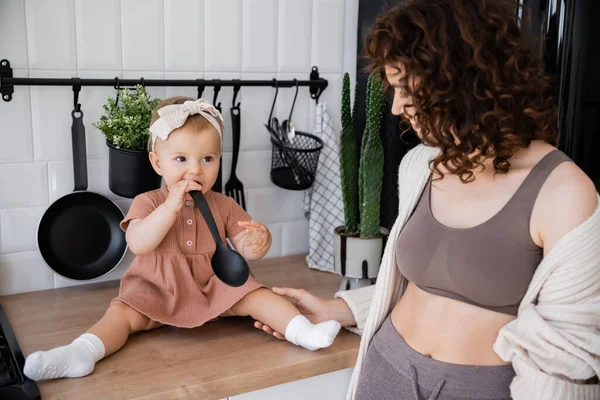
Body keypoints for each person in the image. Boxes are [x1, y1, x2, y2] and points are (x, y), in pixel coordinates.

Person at [254, 1, 600, 399]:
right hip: (386, 369)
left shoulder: (563, 190)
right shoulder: (421, 164)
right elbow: (421, 285)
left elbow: (570, 353)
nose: (397, 106)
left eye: (406, 88)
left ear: (461, 78)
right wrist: (338, 310)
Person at [23, 97, 341, 382]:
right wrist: (169, 207)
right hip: (156, 289)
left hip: (213, 287)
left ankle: (304, 332)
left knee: (257, 294)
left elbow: (244, 250)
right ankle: (82, 352)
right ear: (157, 163)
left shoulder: (224, 204)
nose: (195, 170)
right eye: (181, 160)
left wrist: (259, 240)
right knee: (121, 315)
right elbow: (138, 243)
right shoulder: (147, 202)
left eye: (207, 159)